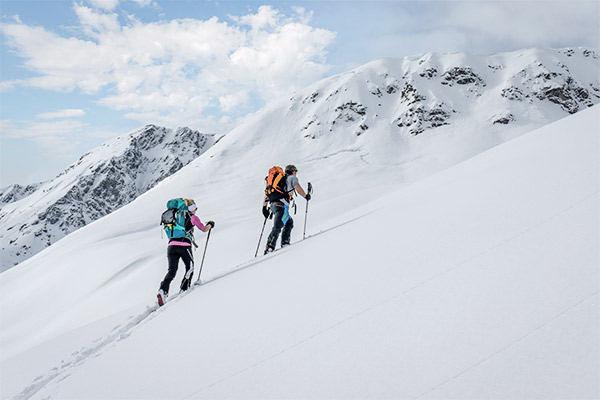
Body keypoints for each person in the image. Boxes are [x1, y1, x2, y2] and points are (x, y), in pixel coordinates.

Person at [158, 199, 214, 306]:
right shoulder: (192, 217)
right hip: (184, 246)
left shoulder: (173, 217)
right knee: (190, 267)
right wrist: (210, 224)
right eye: (195, 208)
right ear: (191, 208)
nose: (196, 210)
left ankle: (163, 290)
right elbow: (203, 229)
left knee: (172, 271)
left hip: (171, 246)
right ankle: (184, 289)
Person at [262, 165, 311, 254]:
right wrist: (306, 196)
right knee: (278, 226)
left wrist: (264, 208)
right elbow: (297, 187)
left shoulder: (278, 181)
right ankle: (269, 246)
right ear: (293, 171)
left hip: (273, 205)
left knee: (289, 222)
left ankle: (285, 243)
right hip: (282, 205)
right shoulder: (292, 178)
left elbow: (266, 194)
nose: (296, 172)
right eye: (296, 170)